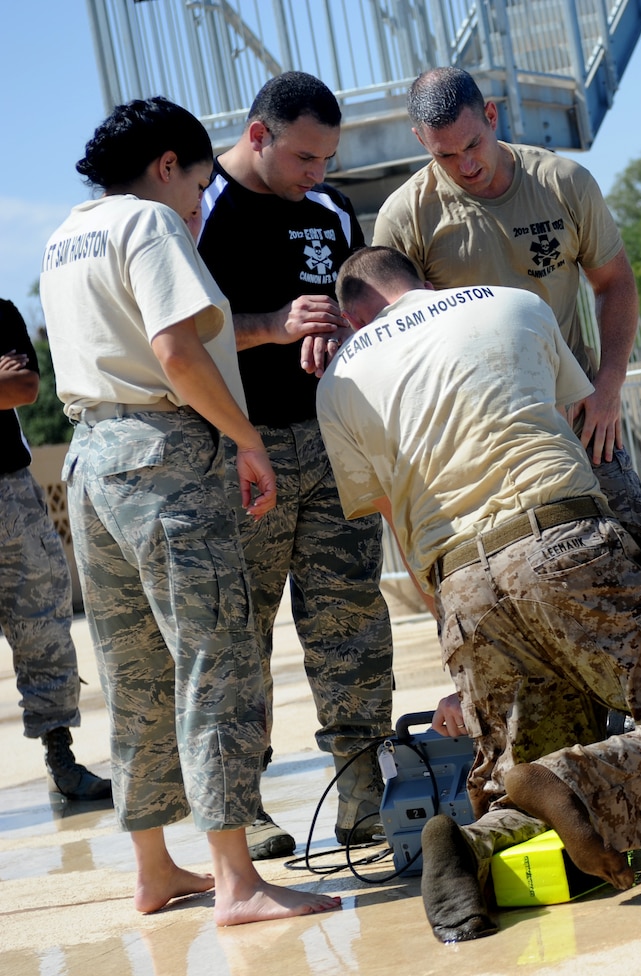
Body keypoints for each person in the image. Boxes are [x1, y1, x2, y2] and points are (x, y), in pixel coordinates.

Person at [315, 246, 641, 943]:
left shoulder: (340, 375)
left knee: (517, 772)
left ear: (355, 316)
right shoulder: (510, 302)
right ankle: (575, 782)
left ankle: (470, 848)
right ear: (422, 283)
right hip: (559, 542)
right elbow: (566, 416)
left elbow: (392, 515)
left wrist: (454, 633)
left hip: (462, 583)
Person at [38, 97, 339, 924]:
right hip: (167, 459)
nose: (200, 202)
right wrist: (245, 439)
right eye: (199, 182)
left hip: (93, 461)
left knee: (135, 671)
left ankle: (154, 870)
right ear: (168, 164)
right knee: (216, 661)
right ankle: (239, 881)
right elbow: (176, 352)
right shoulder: (149, 224)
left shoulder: (66, 234)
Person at [195, 71, 394, 859]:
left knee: (350, 622)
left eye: (328, 157)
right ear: (257, 136)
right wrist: (273, 326)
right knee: (241, 635)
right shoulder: (198, 207)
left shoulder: (332, 209)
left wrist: (340, 330)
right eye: (305, 157)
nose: (318, 173)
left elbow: (360, 307)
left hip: (330, 439)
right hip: (240, 449)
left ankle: (364, 795)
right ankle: (245, 812)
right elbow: (178, 340)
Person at [371, 67, 641, 562]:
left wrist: (609, 385)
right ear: (420, 140)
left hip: (580, 420)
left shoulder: (562, 182)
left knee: (635, 560)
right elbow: (393, 340)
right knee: (517, 584)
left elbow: (615, 283)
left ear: (491, 115)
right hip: (477, 440)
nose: (465, 166)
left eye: (473, 145)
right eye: (444, 155)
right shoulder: (405, 217)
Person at [0, 299, 110, 800]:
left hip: (13, 492)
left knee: (43, 628)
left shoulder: (0, 313)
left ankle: (61, 758)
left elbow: (23, 387)